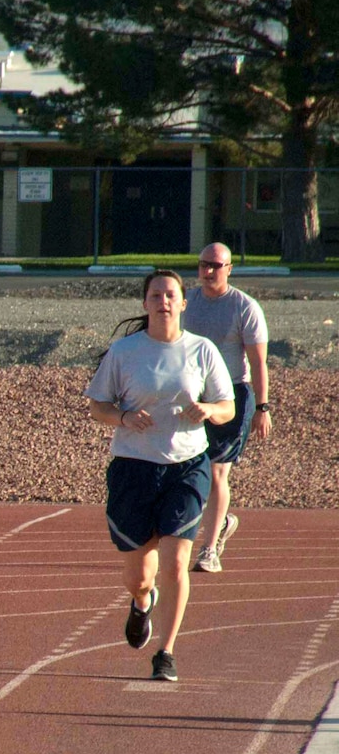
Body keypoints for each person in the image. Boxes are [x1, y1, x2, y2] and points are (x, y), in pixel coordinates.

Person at [86, 270, 234, 683]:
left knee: (176, 564)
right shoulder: (125, 351)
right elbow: (98, 407)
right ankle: (141, 601)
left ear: (184, 303)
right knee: (140, 576)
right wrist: (124, 416)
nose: (163, 301)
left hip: (186, 467)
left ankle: (165, 652)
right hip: (133, 468)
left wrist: (207, 410)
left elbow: (227, 407)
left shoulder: (202, 351)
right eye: (156, 295)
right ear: (145, 303)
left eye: (171, 294)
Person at [183, 243, 272, 572]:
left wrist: (262, 407)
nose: (208, 272)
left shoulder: (244, 307)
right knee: (190, 469)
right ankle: (217, 523)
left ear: (229, 269)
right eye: (204, 265)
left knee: (218, 471)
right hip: (191, 395)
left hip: (231, 396)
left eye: (216, 266)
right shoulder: (186, 302)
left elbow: (258, 362)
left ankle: (208, 550)